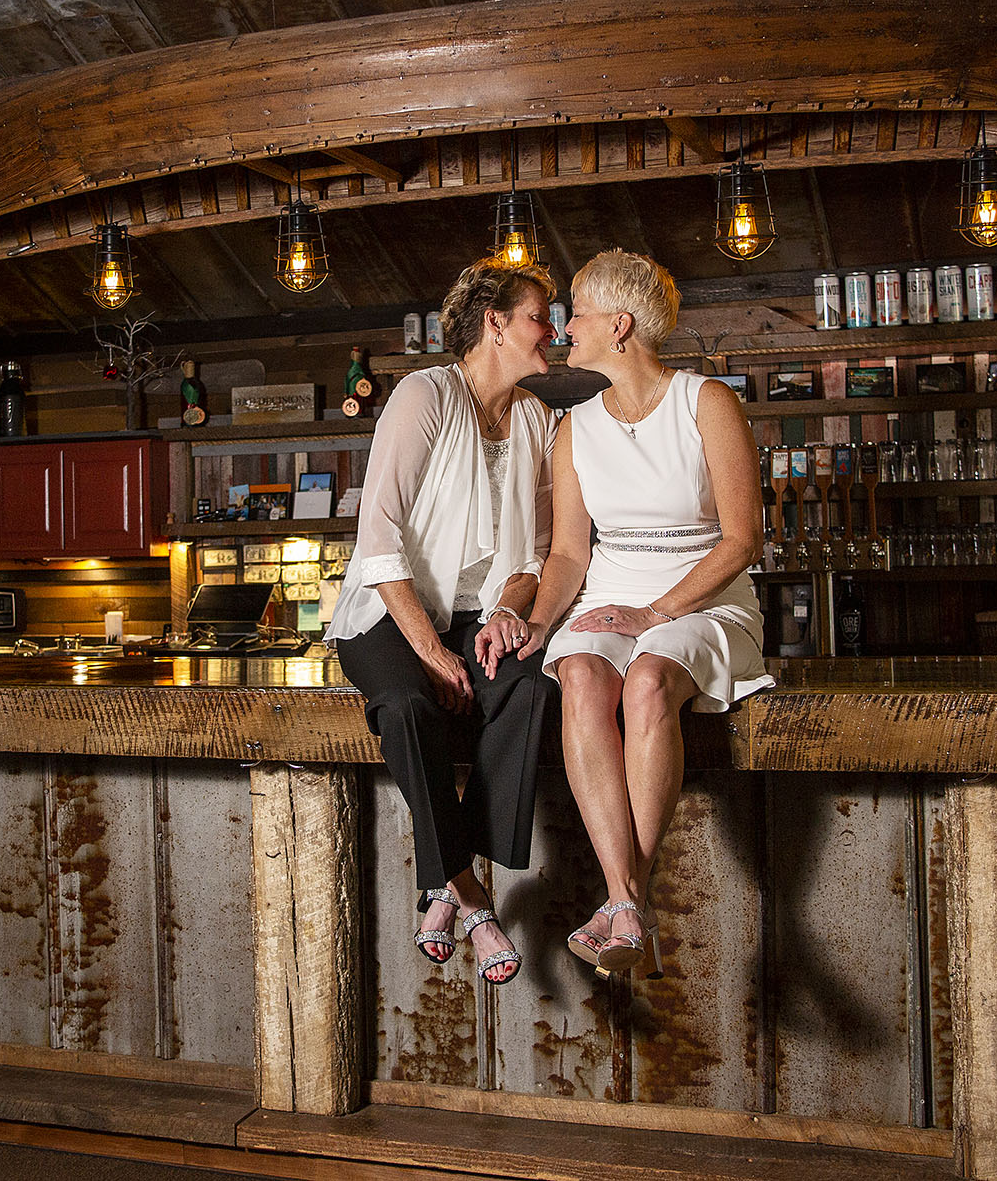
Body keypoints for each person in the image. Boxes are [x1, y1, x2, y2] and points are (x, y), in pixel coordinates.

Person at [515, 250, 771, 976]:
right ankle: (624, 904)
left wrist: (656, 612)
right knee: (584, 675)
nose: (565, 325)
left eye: (579, 312)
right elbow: (567, 554)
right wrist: (539, 625)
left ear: (619, 326)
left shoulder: (706, 402)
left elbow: (741, 539)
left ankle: (628, 893)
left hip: (704, 598)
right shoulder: (574, 428)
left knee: (649, 679)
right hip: (607, 593)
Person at [325, 261, 560, 986]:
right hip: (389, 613)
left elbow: (540, 552)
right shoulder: (423, 396)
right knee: (403, 706)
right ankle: (472, 897)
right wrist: (428, 651)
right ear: (496, 324)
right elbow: (378, 539)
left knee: (530, 691)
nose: (549, 331)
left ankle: (441, 884)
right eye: (537, 317)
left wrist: (504, 614)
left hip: (481, 615)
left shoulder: (536, 416)